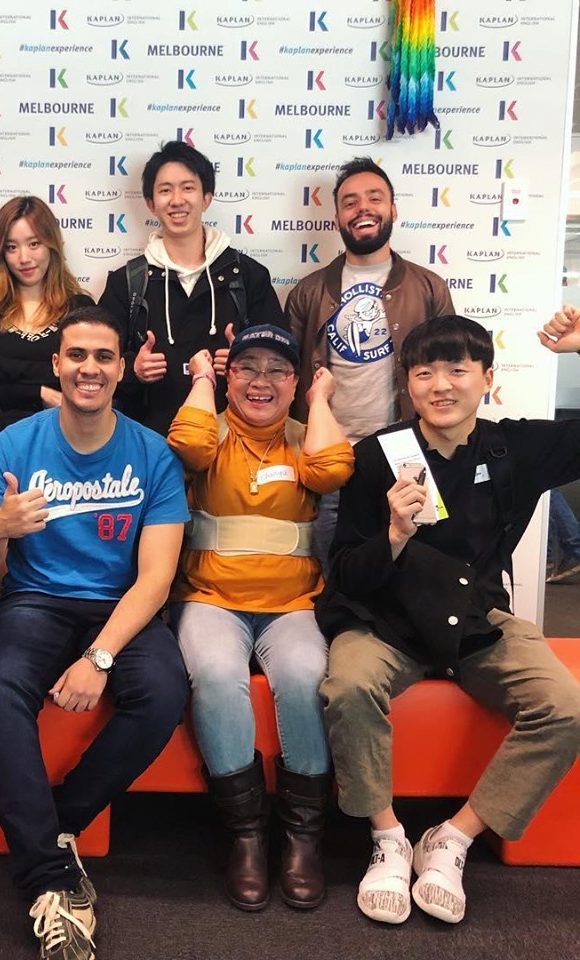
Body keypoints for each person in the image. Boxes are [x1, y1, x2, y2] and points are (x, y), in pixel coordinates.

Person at [317, 313, 580, 926]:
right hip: (388, 623)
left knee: (565, 708)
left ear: (487, 377)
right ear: (407, 384)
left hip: (478, 621)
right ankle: (388, 838)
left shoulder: (513, 448)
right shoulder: (377, 455)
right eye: (424, 372)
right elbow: (347, 573)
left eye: (458, 369)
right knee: (348, 685)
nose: (441, 385)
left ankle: (452, 839)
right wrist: (393, 534)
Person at [0, 306, 190, 959]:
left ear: (121, 369)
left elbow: (156, 580)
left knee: (164, 692)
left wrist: (100, 656)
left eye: (104, 357)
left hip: (120, 605)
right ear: (57, 364)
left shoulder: (152, 454)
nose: (90, 368)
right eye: (78, 356)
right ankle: (49, 879)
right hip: (33, 601)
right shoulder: (12, 446)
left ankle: (56, 825)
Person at [168, 324, 354, 912]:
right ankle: (246, 834)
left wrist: (319, 402)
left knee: (304, 676)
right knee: (217, 674)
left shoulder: (306, 439)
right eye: (247, 366)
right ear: (230, 376)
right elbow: (188, 445)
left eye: (278, 370)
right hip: (210, 598)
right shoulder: (212, 434)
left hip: (291, 605)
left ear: (296, 382)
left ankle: (303, 837)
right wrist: (202, 379)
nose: (261, 381)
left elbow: (331, 471)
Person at [285, 157, 454, 571]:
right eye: (350, 202)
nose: (363, 207)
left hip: (409, 454)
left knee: (414, 569)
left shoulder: (429, 288)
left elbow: (451, 375)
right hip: (330, 456)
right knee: (333, 573)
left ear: (393, 209)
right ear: (337, 219)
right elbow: (287, 379)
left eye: (374, 198)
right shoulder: (308, 292)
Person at [99, 140, 285, 436]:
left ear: (207, 198)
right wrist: (133, 368)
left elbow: (282, 359)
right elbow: (98, 359)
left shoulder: (248, 276)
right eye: (165, 190)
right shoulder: (127, 282)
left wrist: (246, 361)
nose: (177, 200)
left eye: (188, 188)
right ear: (150, 203)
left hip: (234, 442)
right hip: (149, 441)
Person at [0, 195, 93, 424]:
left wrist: (3, 369)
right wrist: (40, 391)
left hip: (67, 433)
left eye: (34, 244)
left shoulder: (80, 310)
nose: (24, 258)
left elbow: (86, 375)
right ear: (1, 253)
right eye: (11, 247)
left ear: (52, 244)